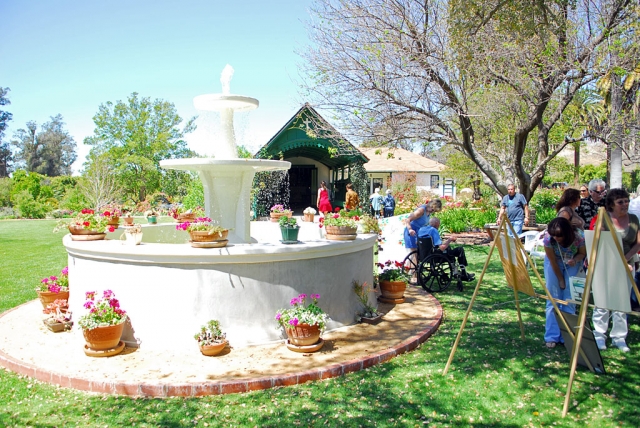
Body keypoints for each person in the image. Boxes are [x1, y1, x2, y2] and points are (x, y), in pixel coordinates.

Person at [590, 188, 640, 352]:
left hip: (627, 264)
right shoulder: (603, 219)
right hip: (606, 264)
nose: (625, 204)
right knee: (603, 301)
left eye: (626, 201)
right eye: (621, 202)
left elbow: (638, 243)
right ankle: (599, 335)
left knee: (622, 301)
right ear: (611, 205)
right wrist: (616, 262)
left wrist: (625, 260)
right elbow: (598, 243)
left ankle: (619, 337)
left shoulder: (633, 219)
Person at [542, 217, 586, 348]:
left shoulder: (579, 237)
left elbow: (582, 254)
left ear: (567, 233)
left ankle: (567, 336)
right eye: (554, 235)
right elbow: (552, 261)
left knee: (569, 299)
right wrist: (561, 279)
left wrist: (575, 260)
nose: (556, 238)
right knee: (553, 299)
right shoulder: (548, 238)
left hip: (572, 264)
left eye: (559, 236)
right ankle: (551, 336)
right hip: (554, 263)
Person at [417, 217, 475, 281]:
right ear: (436, 224)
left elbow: (418, 242)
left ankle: (459, 271)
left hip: (424, 254)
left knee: (449, 248)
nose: (439, 226)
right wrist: (449, 240)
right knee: (460, 250)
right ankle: (464, 273)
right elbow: (442, 248)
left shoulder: (421, 229)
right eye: (439, 224)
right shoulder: (433, 230)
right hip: (436, 256)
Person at [404, 199, 443, 282]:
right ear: (431, 205)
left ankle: (405, 273)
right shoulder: (421, 210)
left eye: (434, 211)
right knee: (414, 254)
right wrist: (410, 229)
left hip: (418, 233)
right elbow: (407, 220)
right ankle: (414, 277)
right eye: (433, 209)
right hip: (411, 232)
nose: (433, 211)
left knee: (417, 254)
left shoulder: (428, 212)